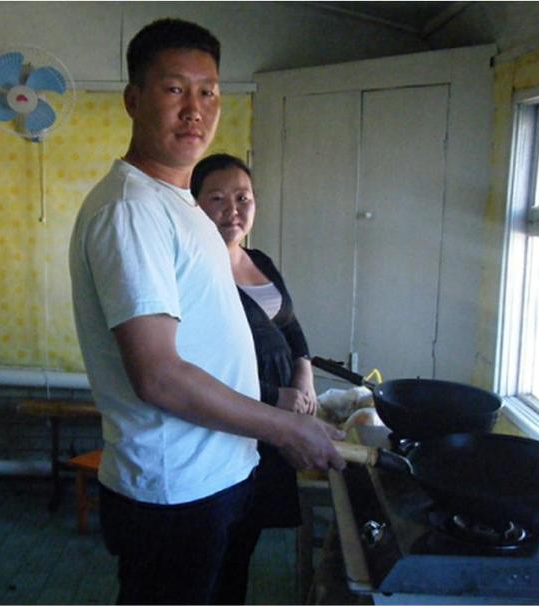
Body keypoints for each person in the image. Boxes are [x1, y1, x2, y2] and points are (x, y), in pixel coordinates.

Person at [68, 17, 345, 606]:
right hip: (175, 488)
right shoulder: (131, 211)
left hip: (219, 472)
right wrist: (285, 426)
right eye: (175, 89)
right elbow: (158, 375)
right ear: (133, 99)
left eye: (209, 92)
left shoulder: (180, 205)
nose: (195, 109)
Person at [192, 153, 318, 603]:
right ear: (195, 206)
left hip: (276, 420)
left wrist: (304, 374)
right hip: (234, 419)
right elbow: (197, 362)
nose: (233, 210)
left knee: (246, 537)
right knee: (218, 539)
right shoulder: (196, 271)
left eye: (242, 198)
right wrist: (273, 397)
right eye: (217, 199)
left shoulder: (258, 259)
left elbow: (290, 324)